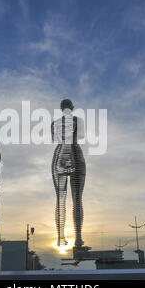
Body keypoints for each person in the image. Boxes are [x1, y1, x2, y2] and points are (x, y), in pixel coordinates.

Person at [51, 99, 86, 248]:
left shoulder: (54, 123)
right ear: (72, 108)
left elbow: (55, 139)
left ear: (60, 108)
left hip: (60, 156)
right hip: (75, 153)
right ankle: (78, 238)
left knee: (60, 199)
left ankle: (61, 238)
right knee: (77, 199)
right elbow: (80, 136)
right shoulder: (79, 121)